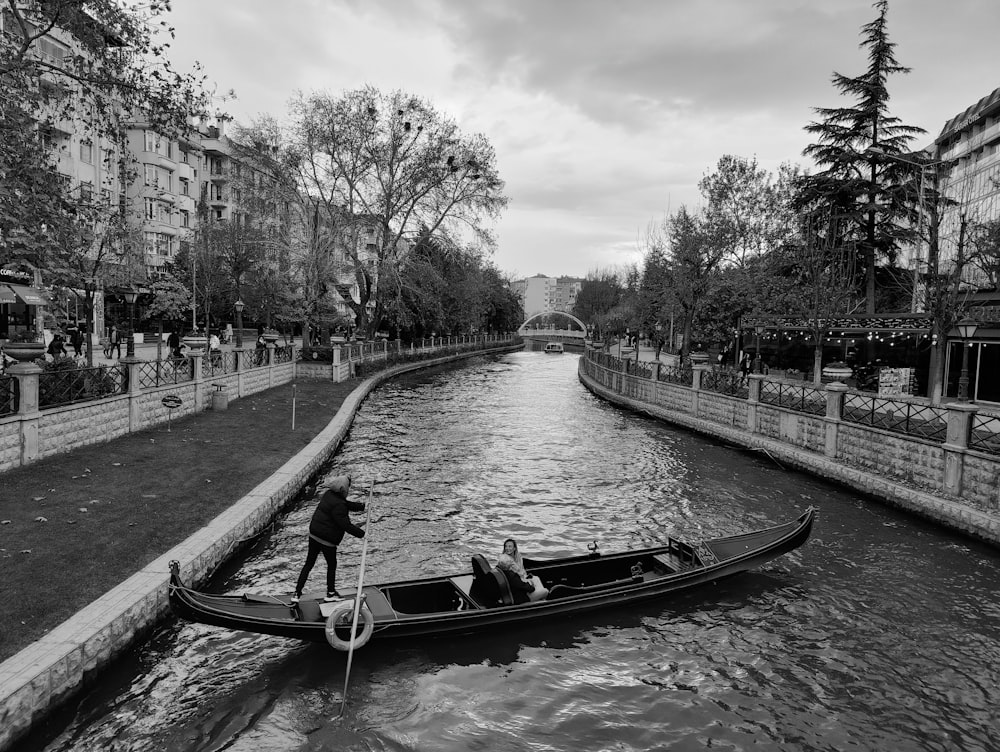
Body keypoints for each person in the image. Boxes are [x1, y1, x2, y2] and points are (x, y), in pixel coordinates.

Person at [292, 474, 366, 604]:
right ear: (343, 490)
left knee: (309, 564)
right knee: (332, 565)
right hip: (327, 540)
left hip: (314, 535)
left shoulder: (328, 495)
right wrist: (363, 534)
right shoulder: (340, 505)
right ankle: (330, 593)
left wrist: (361, 507)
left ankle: (297, 593)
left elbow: (345, 504)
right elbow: (346, 525)